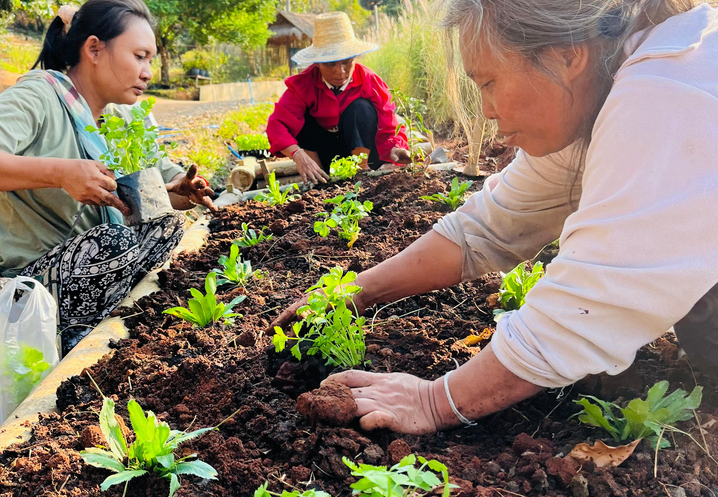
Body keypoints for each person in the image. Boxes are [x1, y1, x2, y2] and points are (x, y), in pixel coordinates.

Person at [271, 0, 718, 434]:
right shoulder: (600, 91)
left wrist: (436, 400)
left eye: (488, 82)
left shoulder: (666, 91)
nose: (485, 108)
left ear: (566, 55)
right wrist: (356, 293)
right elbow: (487, 227)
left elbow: (599, 295)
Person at [0, 0, 216, 352]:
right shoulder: (41, 94)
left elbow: (164, 191)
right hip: (25, 293)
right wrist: (60, 173)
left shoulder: (121, 116)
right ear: (93, 49)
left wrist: (182, 192)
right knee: (111, 243)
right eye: (139, 56)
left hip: (89, 275)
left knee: (165, 227)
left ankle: (103, 323)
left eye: (150, 60)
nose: (149, 72)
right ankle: (65, 342)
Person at [266, 11, 411, 185]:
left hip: (364, 152)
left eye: (346, 62)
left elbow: (389, 126)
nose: (340, 71)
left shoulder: (370, 81)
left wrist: (396, 148)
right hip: (325, 155)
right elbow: (277, 125)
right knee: (302, 120)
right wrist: (298, 155)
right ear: (317, 63)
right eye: (330, 64)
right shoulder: (303, 85)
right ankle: (318, 180)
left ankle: (361, 175)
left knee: (361, 108)